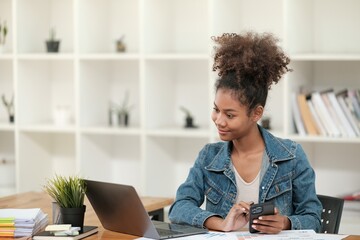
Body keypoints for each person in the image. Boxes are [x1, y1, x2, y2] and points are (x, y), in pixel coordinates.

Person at [168, 32, 322, 234]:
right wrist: (221, 224)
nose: (219, 120)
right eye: (216, 110)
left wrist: (285, 223)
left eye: (230, 115)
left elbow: (313, 217)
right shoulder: (209, 156)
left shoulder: (291, 157)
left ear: (256, 113)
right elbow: (179, 208)